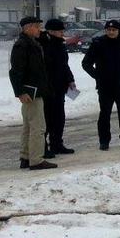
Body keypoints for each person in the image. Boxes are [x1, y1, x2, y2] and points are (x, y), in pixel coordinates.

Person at [82, 19, 120, 150]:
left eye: (114, 30)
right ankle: (104, 141)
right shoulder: (98, 43)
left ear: (119, 31)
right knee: (104, 114)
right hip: (105, 86)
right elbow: (86, 63)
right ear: (105, 30)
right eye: (109, 30)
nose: (111, 32)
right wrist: (97, 76)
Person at [9, 16, 57, 170]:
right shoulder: (22, 46)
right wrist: (20, 92)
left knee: (29, 126)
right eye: (37, 27)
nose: (39, 29)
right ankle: (36, 160)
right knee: (38, 127)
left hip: (35, 91)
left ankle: (26, 157)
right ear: (28, 28)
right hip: (31, 93)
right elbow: (15, 72)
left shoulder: (32, 44)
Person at [38, 18, 77, 156]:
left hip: (60, 86)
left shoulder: (60, 44)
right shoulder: (42, 44)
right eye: (60, 31)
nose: (62, 33)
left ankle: (57, 144)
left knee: (59, 118)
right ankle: (43, 148)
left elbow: (64, 65)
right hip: (47, 87)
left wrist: (70, 80)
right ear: (51, 31)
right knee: (47, 119)